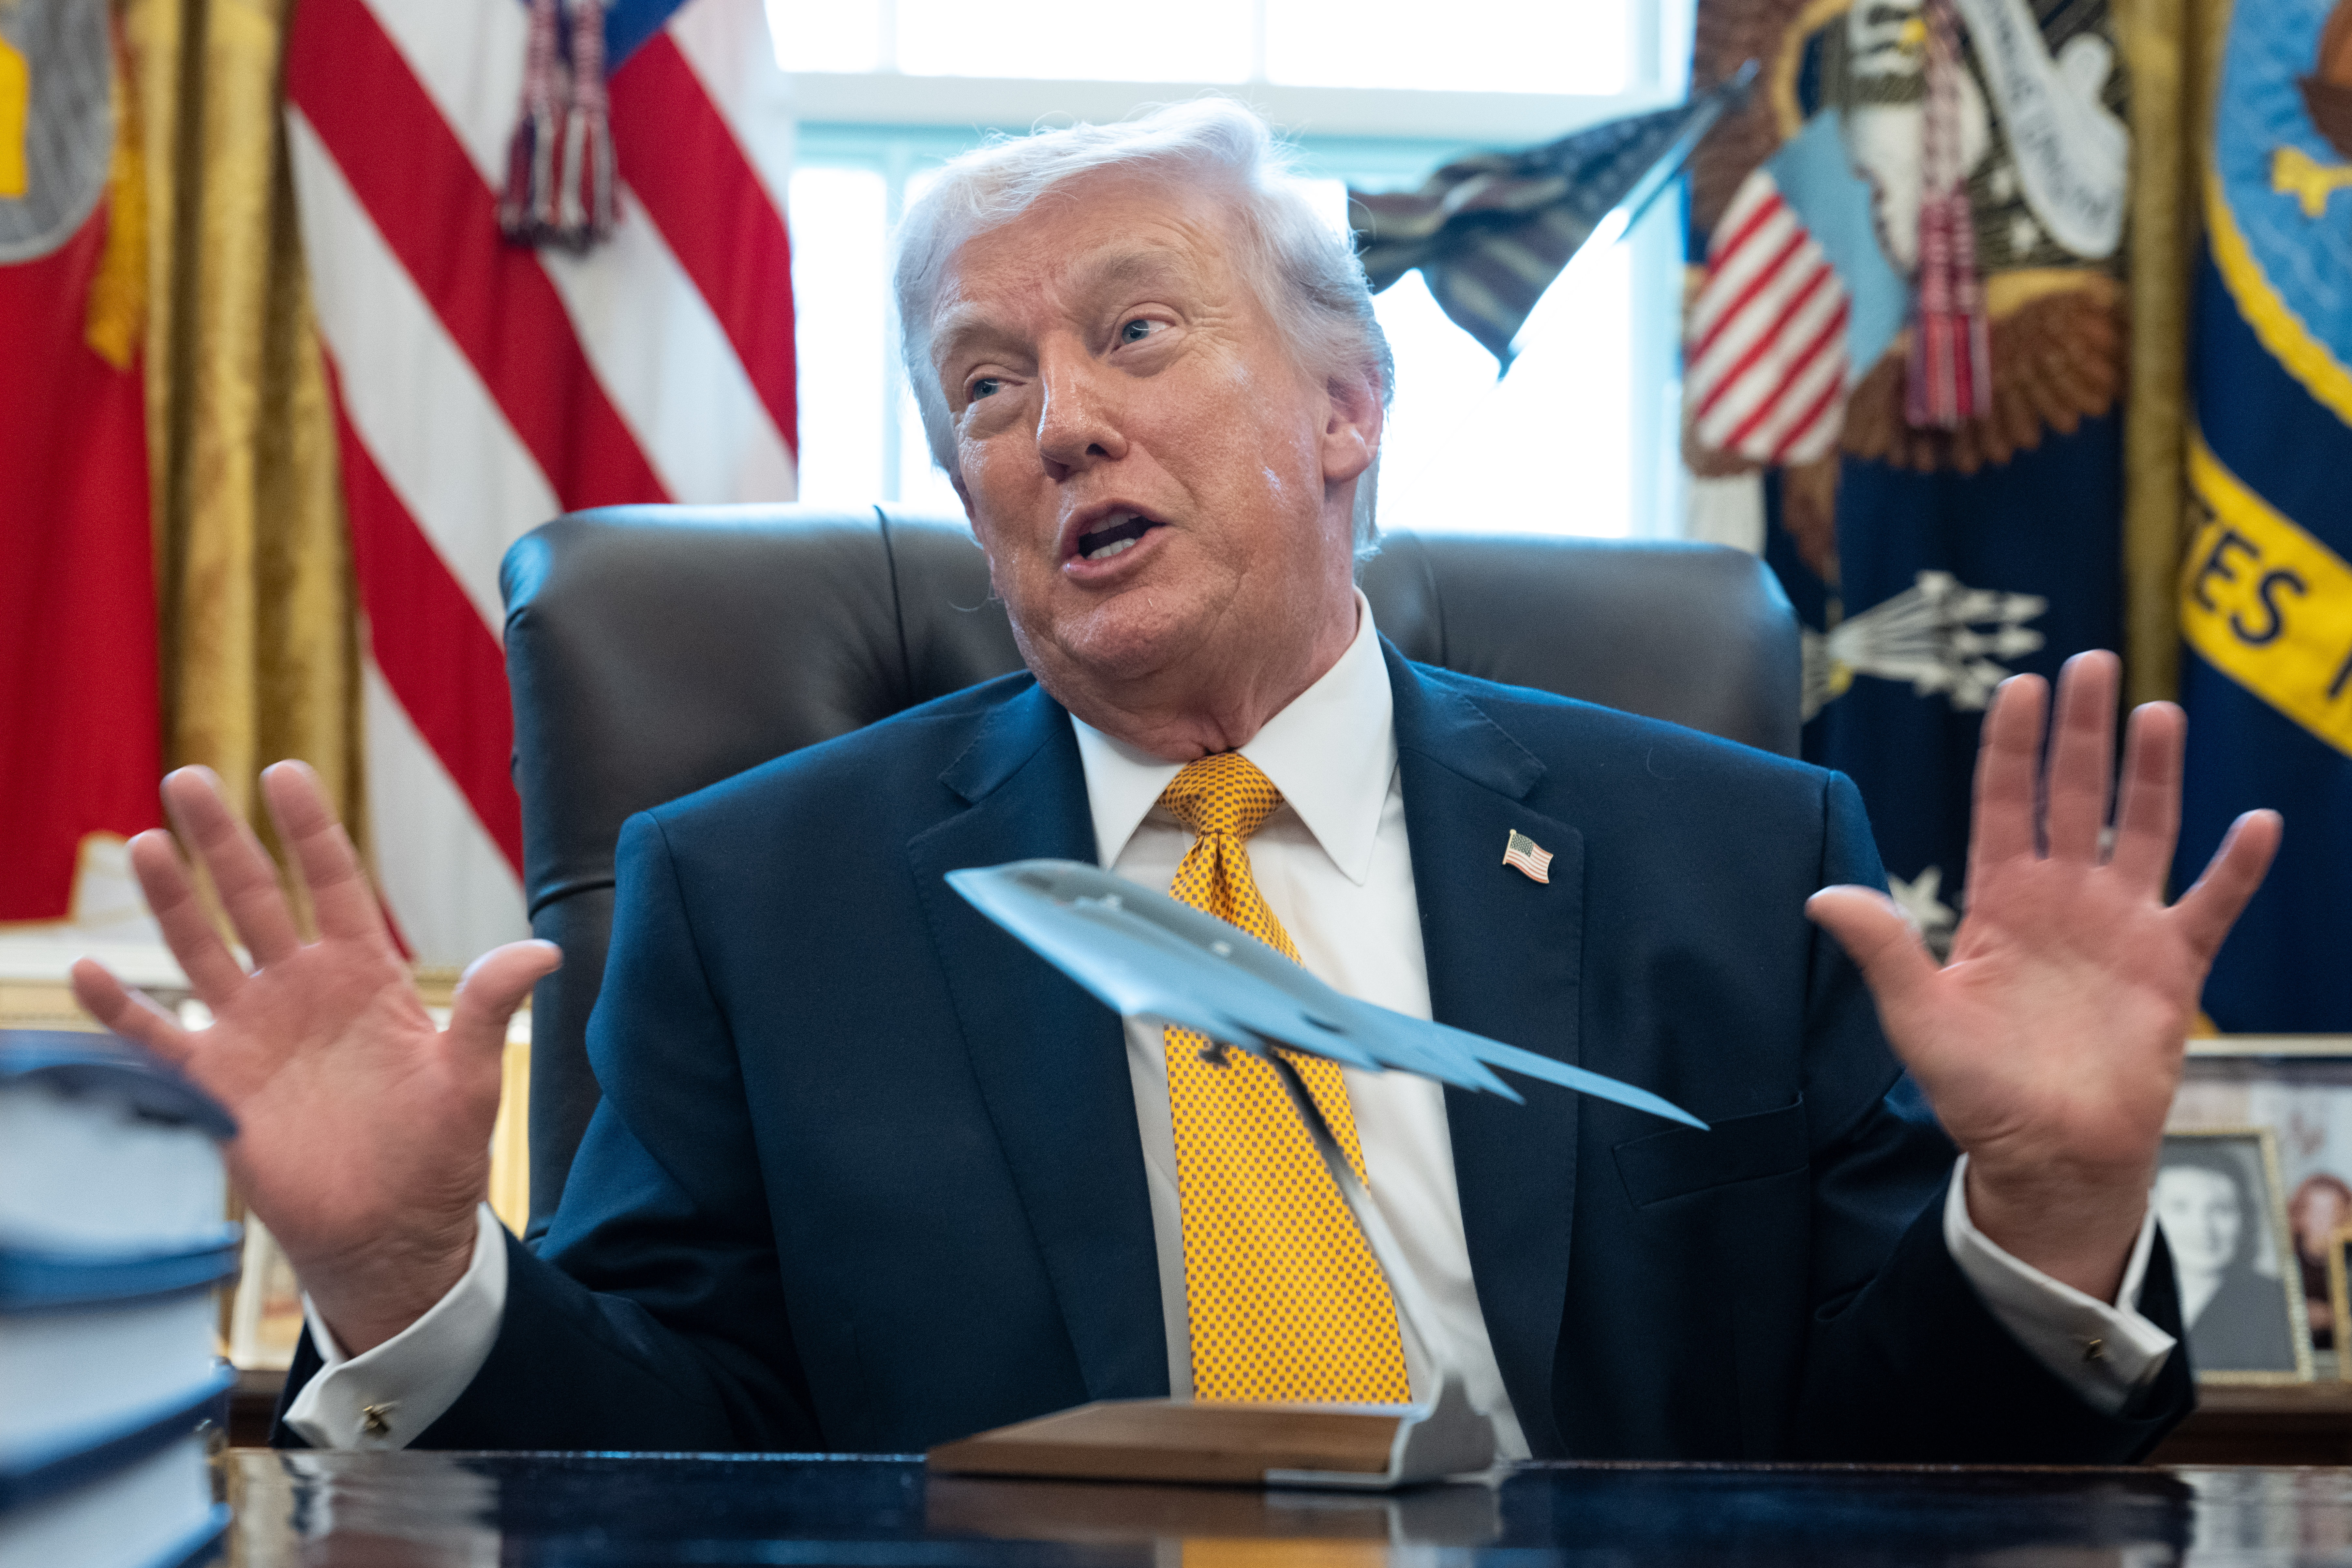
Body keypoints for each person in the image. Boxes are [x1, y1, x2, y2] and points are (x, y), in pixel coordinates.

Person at [72, 101, 2279, 1462]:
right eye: (985, 383)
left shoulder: (1729, 850)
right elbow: (674, 1466)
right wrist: (406, 1267)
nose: (1055, 425)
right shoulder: (754, 897)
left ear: (1343, 399)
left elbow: (1887, 1464)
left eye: (1135, 334)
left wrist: (2050, 1212)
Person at [2156, 1147, 2300, 1373]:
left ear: (2244, 1219)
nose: (2203, 1229)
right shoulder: (2125, 1293)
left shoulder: (2275, 1302)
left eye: (2222, 1210)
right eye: (2180, 1207)